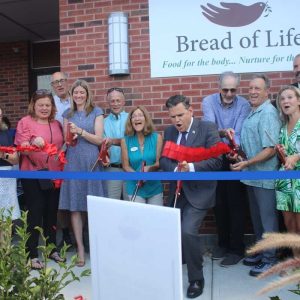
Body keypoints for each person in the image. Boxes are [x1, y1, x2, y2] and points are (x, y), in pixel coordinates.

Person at [160, 95, 222, 298]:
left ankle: (196, 279)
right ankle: (180, 262)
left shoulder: (207, 128)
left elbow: (216, 161)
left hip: (200, 191)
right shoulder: (170, 132)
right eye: (172, 117)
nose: (176, 120)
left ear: (191, 111)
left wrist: (191, 168)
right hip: (177, 192)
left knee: (187, 231)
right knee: (169, 232)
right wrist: (177, 169)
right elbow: (164, 161)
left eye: (180, 115)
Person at [231, 74, 281, 276]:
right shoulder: (254, 112)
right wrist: (239, 153)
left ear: (267, 91)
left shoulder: (268, 113)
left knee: (268, 220)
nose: (252, 91)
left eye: (257, 88)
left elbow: (270, 149)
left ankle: (271, 259)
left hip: (264, 176)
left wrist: (248, 162)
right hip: (252, 176)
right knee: (258, 219)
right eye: (250, 88)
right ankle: (262, 253)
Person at [202, 71, 251, 266]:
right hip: (215, 156)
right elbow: (211, 130)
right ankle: (222, 244)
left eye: (233, 90)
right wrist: (223, 134)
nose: (229, 94)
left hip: (235, 155)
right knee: (219, 202)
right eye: (225, 89)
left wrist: (233, 150)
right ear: (218, 86)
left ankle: (236, 248)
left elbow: (238, 132)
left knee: (236, 204)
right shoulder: (208, 101)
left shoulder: (244, 104)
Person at [59, 79, 107, 267]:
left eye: (82, 92)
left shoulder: (97, 111)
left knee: (94, 206)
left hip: (92, 162)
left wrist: (81, 132)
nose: (78, 96)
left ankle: (96, 246)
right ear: (71, 95)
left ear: (87, 94)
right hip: (73, 162)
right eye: (75, 93)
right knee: (75, 206)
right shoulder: (67, 113)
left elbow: (99, 139)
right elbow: (66, 139)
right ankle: (80, 248)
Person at [15, 89, 65, 270]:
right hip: (33, 174)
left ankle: (52, 249)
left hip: (55, 175)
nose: (44, 108)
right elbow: (22, 147)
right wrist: (32, 143)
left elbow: (62, 147)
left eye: (47, 105)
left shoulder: (57, 124)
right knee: (35, 213)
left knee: (52, 213)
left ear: (52, 107)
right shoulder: (25, 122)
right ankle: (32, 254)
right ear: (33, 105)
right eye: (40, 105)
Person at [275, 86, 300, 257]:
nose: (285, 101)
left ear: (299, 100)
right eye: (282, 99)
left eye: (290, 97)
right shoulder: (283, 126)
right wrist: (282, 152)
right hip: (284, 182)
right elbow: (283, 156)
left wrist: (297, 157)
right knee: (290, 225)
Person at [121, 106, 163, 204]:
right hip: (134, 186)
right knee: (138, 218)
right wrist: (138, 176)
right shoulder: (125, 140)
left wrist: (149, 168)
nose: (137, 118)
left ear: (146, 119)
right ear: (131, 121)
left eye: (140, 115)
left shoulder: (157, 138)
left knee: (156, 218)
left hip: (154, 187)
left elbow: (158, 163)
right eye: (134, 116)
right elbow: (125, 166)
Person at [50, 71, 73, 249]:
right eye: (55, 82)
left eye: (61, 81)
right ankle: (63, 234)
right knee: (59, 198)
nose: (59, 85)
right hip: (56, 155)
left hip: (75, 153)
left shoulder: (77, 99)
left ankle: (77, 234)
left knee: (76, 194)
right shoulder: (50, 104)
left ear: (67, 82)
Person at [104, 87, 129, 200]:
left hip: (132, 168)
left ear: (123, 101)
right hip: (112, 169)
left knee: (132, 204)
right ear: (108, 103)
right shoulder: (103, 122)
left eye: (118, 100)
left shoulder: (132, 118)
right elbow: (102, 146)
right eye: (112, 101)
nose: (115, 104)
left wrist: (113, 141)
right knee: (112, 204)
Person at [0, 107, 20, 224]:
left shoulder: (6, 134)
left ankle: (5, 243)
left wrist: (3, 155)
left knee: (6, 218)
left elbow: (15, 159)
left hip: (6, 177)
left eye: (0, 116)